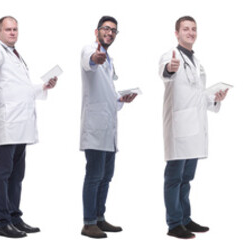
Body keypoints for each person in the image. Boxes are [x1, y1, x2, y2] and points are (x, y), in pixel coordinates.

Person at [0, 16, 56, 238]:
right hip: (8, 122)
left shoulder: (16, 54)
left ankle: (15, 216)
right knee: (3, 173)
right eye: (8, 29)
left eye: (15, 29)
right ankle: (2, 222)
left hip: (22, 124)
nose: (12, 32)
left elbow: (21, 89)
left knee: (17, 175)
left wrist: (43, 86)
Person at [159, 15, 227, 239]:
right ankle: (174, 224)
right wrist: (170, 67)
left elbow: (200, 96)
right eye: (185, 29)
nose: (190, 32)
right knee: (174, 177)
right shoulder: (171, 55)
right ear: (177, 33)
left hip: (195, 129)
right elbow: (165, 72)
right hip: (179, 128)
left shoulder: (198, 62)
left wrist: (215, 97)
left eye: (193, 29)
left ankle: (185, 219)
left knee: (187, 178)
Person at [79, 15, 135, 239]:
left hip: (108, 129)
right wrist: (95, 58)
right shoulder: (90, 50)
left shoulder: (109, 59)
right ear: (97, 31)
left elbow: (107, 93)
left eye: (113, 31)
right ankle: (88, 222)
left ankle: (100, 218)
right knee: (94, 176)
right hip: (95, 127)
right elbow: (89, 61)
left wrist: (121, 99)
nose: (110, 33)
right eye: (106, 29)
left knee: (106, 176)